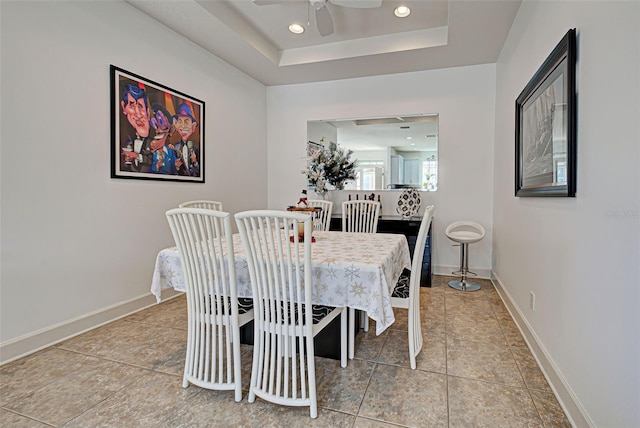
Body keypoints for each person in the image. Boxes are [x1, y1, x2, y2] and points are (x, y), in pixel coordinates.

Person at [119, 83, 156, 173]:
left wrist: (136, 156)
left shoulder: (153, 143)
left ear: (147, 112)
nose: (138, 114)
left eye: (140, 106)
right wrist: (127, 161)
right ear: (124, 107)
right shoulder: (127, 142)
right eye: (131, 105)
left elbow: (153, 161)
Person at [170, 103, 200, 177]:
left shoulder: (196, 148)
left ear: (193, 126)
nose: (183, 126)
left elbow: (201, 172)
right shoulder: (175, 148)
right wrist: (176, 166)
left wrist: (195, 162)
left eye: (186, 122)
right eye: (180, 122)